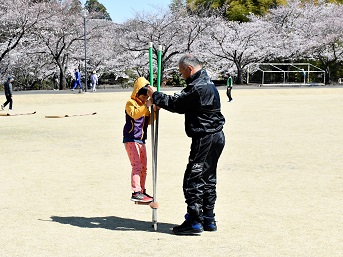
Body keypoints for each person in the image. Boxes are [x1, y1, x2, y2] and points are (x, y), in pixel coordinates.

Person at [147, 54, 226, 235]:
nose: (181, 75)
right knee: (207, 178)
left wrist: (155, 96)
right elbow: (183, 100)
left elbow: (178, 104)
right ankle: (208, 218)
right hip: (215, 136)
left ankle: (194, 220)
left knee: (193, 178)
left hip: (205, 137)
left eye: (181, 71)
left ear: (189, 69)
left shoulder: (199, 87)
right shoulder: (205, 82)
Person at [123, 77, 154, 203]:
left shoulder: (144, 106)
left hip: (141, 140)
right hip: (131, 139)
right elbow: (135, 114)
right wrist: (146, 106)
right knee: (136, 165)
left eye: (146, 98)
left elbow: (150, 121)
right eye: (142, 97)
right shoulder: (130, 103)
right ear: (137, 93)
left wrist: (154, 110)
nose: (144, 100)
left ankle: (142, 190)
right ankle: (136, 191)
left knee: (144, 167)